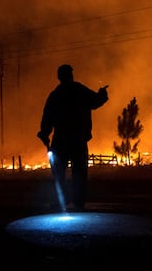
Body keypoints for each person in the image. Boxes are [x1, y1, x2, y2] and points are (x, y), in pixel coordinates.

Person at [37, 64, 109, 211]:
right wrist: (102, 94)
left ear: (59, 77)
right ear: (70, 75)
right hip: (78, 140)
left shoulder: (55, 95)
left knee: (59, 174)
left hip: (61, 141)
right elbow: (95, 101)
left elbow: (47, 117)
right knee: (79, 174)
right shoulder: (79, 90)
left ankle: (61, 201)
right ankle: (78, 202)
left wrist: (44, 133)